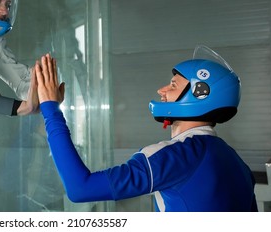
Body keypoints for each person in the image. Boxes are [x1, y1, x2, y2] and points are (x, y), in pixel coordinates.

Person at [35, 48, 258, 212]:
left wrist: (50, 109)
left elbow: (80, 189)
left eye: (172, 85)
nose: (162, 90)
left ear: (200, 94)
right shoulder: (238, 163)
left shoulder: (173, 157)